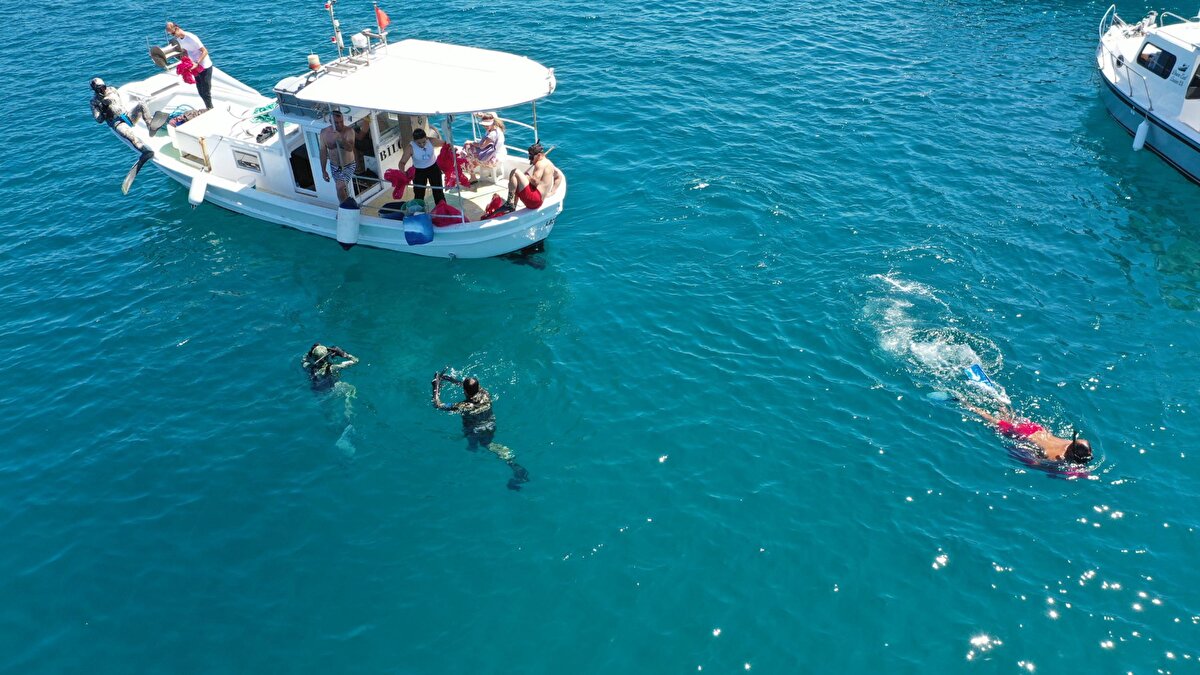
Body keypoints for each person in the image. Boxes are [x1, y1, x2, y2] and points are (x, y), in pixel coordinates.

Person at [432, 370, 529, 490]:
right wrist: (448, 378)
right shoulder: (485, 394)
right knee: (486, 443)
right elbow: (467, 386)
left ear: (465, 391)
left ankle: (515, 466)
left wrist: (436, 386)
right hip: (490, 425)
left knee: (486, 445)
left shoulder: (463, 406)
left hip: (474, 430)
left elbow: (437, 404)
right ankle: (478, 449)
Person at [961, 402, 1093, 464]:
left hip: (1036, 428)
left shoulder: (1071, 442)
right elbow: (1034, 463)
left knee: (1008, 416)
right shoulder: (1055, 457)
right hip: (1022, 434)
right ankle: (963, 402)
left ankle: (1000, 401)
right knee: (990, 419)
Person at [90, 78, 155, 191]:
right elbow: (99, 120)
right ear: (95, 90)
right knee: (131, 137)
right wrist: (104, 109)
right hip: (117, 123)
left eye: (103, 87)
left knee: (141, 104)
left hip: (127, 115)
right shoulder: (94, 102)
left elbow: (118, 103)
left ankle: (150, 126)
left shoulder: (112, 90)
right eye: (99, 89)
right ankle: (145, 151)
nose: (103, 90)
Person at [166, 22, 213, 109]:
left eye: (172, 33)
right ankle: (208, 108)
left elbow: (205, 51)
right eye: (171, 35)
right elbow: (187, 50)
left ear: (177, 28)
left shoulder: (191, 37)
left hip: (205, 66)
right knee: (200, 91)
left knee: (206, 92)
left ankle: (210, 109)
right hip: (195, 67)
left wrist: (197, 63)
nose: (173, 36)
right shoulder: (179, 40)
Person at [506, 143, 563, 211]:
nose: (530, 160)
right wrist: (552, 192)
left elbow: (535, 181)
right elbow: (559, 176)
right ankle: (512, 207)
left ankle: (509, 203)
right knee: (515, 183)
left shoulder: (540, 164)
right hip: (540, 201)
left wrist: (527, 177)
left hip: (534, 199)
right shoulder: (550, 164)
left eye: (531, 157)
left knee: (515, 172)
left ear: (539, 155)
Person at [399, 127, 447, 206]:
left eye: (424, 142)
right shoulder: (410, 147)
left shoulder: (431, 141)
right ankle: (419, 211)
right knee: (419, 194)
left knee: (438, 192)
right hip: (418, 172)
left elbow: (446, 144)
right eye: (419, 143)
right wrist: (402, 171)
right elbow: (402, 162)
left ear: (426, 138)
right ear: (414, 141)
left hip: (433, 168)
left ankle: (442, 210)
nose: (422, 144)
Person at [320, 110, 358, 202]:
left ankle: (344, 207)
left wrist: (340, 138)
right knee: (340, 188)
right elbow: (323, 152)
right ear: (330, 122)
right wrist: (323, 171)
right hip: (334, 166)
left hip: (348, 165)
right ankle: (346, 205)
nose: (340, 125)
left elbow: (350, 148)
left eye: (341, 122)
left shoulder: (349, 131)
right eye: (336, 123)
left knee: (339, 187)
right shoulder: (324, 133)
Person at [462, 112, 506, 182]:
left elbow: (481, 146)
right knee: (469, 155)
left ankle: (472, 177)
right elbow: (493, 115)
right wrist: (482, 115)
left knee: (467, 156)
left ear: (492, 122)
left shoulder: (491, 134)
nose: (485, 127)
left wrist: (471, 142)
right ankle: (471, 169)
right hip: (500, 155)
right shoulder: (497, 128)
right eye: (484, 125)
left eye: (487, 125)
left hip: (493, 161)